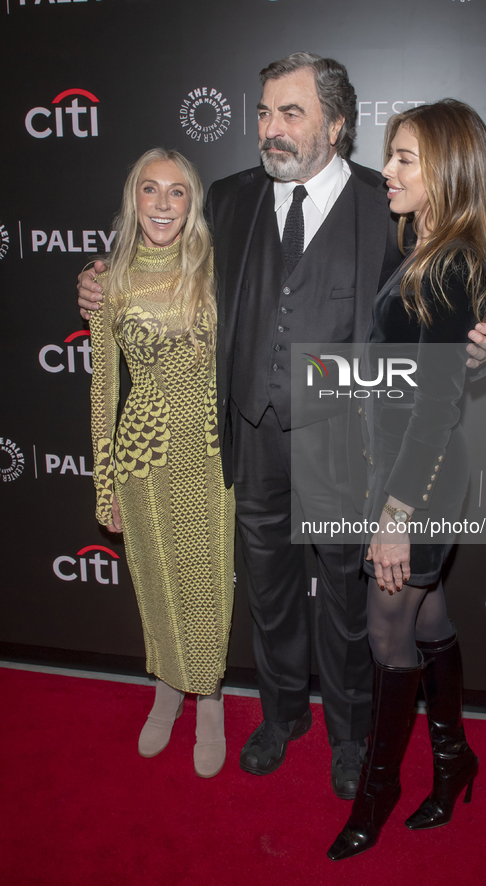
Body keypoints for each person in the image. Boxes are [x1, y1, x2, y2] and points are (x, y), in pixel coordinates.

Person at [79, 54, 486, 799]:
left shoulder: (390, 207)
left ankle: (348, 733)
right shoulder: (232, 198)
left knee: (346, 602)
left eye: (291, 113)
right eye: (264, 113)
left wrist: (479, 343)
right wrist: (97, 280)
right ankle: (279, 718)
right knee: (270, 591)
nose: (270, 130)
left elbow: (433, 315)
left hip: (348, 446)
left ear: (336, 126)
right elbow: (158, 251)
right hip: (248, 434)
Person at [328, 99, 486, 860]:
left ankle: (378, 791)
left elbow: (434, 408)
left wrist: (393, 515)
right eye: (389, 154)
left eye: (405, 158)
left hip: (417, 480)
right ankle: (453, 758)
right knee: (425, 623)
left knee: (385, 633)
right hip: (405, 469)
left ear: (448, 171)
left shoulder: (451, 260)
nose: (387, 170)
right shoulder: (427, 246)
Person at [89, 148, 235, 779]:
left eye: (177, 192)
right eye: (150, 190)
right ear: (134, 199)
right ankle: (167, 688)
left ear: (191, 202)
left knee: (206, 582)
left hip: (208, 448)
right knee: (157, 580)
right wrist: (105, 485)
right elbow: (101, 389)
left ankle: (209, 698)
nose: (163, 204)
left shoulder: (216, 267)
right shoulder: (109, 281)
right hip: (142, 450)